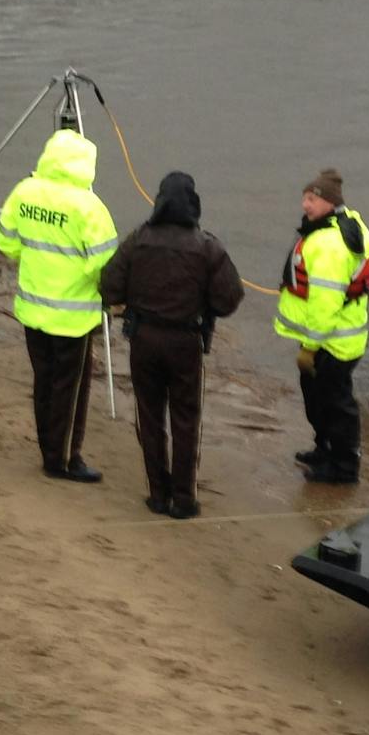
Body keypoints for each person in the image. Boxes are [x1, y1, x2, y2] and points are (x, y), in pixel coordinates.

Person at [100, 171, 245, 519]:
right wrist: (201, 305)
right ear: (193, 204)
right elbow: (229, 299)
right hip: (185, 342)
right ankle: (183, 499)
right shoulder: (208, 247)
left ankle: (157, 494)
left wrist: (136, 299)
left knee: (149, 417)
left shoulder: (138, 239)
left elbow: (108, 286)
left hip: (144, 340)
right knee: (185, 419)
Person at [0, 129, 118, 482]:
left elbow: (6, 241)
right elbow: (105, 265)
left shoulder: (25, 191)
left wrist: (34, 258)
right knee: (70, 389)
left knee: (44, 381)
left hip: (33, 307)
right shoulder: (88, 206)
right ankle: (63, 459)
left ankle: (49, 449)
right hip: (73, 315)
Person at [274, 168, 369, 485]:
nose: (306, 205)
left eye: (313, 200)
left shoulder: (331, 245)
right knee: (318, 398)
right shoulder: (340, 225)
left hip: (332, 342)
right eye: (305, 198)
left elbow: (325, 303)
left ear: (330, 203)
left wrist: (309, 347)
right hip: (333, 338)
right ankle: (324, 449)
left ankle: (344, 468)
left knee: (336, 404)